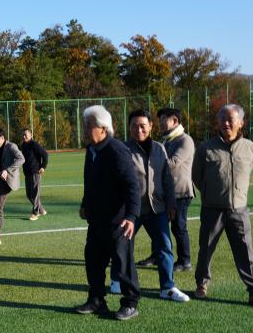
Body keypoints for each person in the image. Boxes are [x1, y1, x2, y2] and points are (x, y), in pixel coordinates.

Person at [191, 104, 253, 307]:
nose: (225, 123)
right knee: (205, 250)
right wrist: (211, 194)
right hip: (212, 209)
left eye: (230, 119)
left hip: (239, 210)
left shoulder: (249, 147)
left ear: (241, 122)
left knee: (246, 252)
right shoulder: (205, 148)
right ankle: (201, 285)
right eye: (222, 118)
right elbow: (196, 176)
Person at [109, 110, 189, 302]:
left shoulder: (160, 148)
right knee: (122, 247)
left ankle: (167, 287)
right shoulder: (121, 149)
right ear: (129, 127)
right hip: (130, 211)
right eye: (135, 125)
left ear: (151, 126)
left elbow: (167, 179)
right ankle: (116, 281)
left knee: (164, 247)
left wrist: (171, 204)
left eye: (143, 125)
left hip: (156, 208)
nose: (139, 129)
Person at [76, 105, 142, 321]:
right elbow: (90, 182)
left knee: (123, 264)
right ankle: (97, 300)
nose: (85, 129)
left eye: (89, 126)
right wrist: (85, 203)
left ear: (103, 128)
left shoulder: (116, 150)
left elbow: (132, 186)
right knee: (93, 262)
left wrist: (131, 217)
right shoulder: (91, 151)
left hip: (118, 221)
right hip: (96, 221)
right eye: (84, 125)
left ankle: (130, 303)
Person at [19, 128, 48, 221]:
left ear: (30, 135)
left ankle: (35, 212)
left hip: (36, 172)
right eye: (22, 135)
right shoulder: (23, 145)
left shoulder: (34, 144)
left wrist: (43, 166)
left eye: (25, 135)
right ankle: (41, 209)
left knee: (35, 193)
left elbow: (45, 154)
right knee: (29, 194)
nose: (24, 136)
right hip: (27, 173)